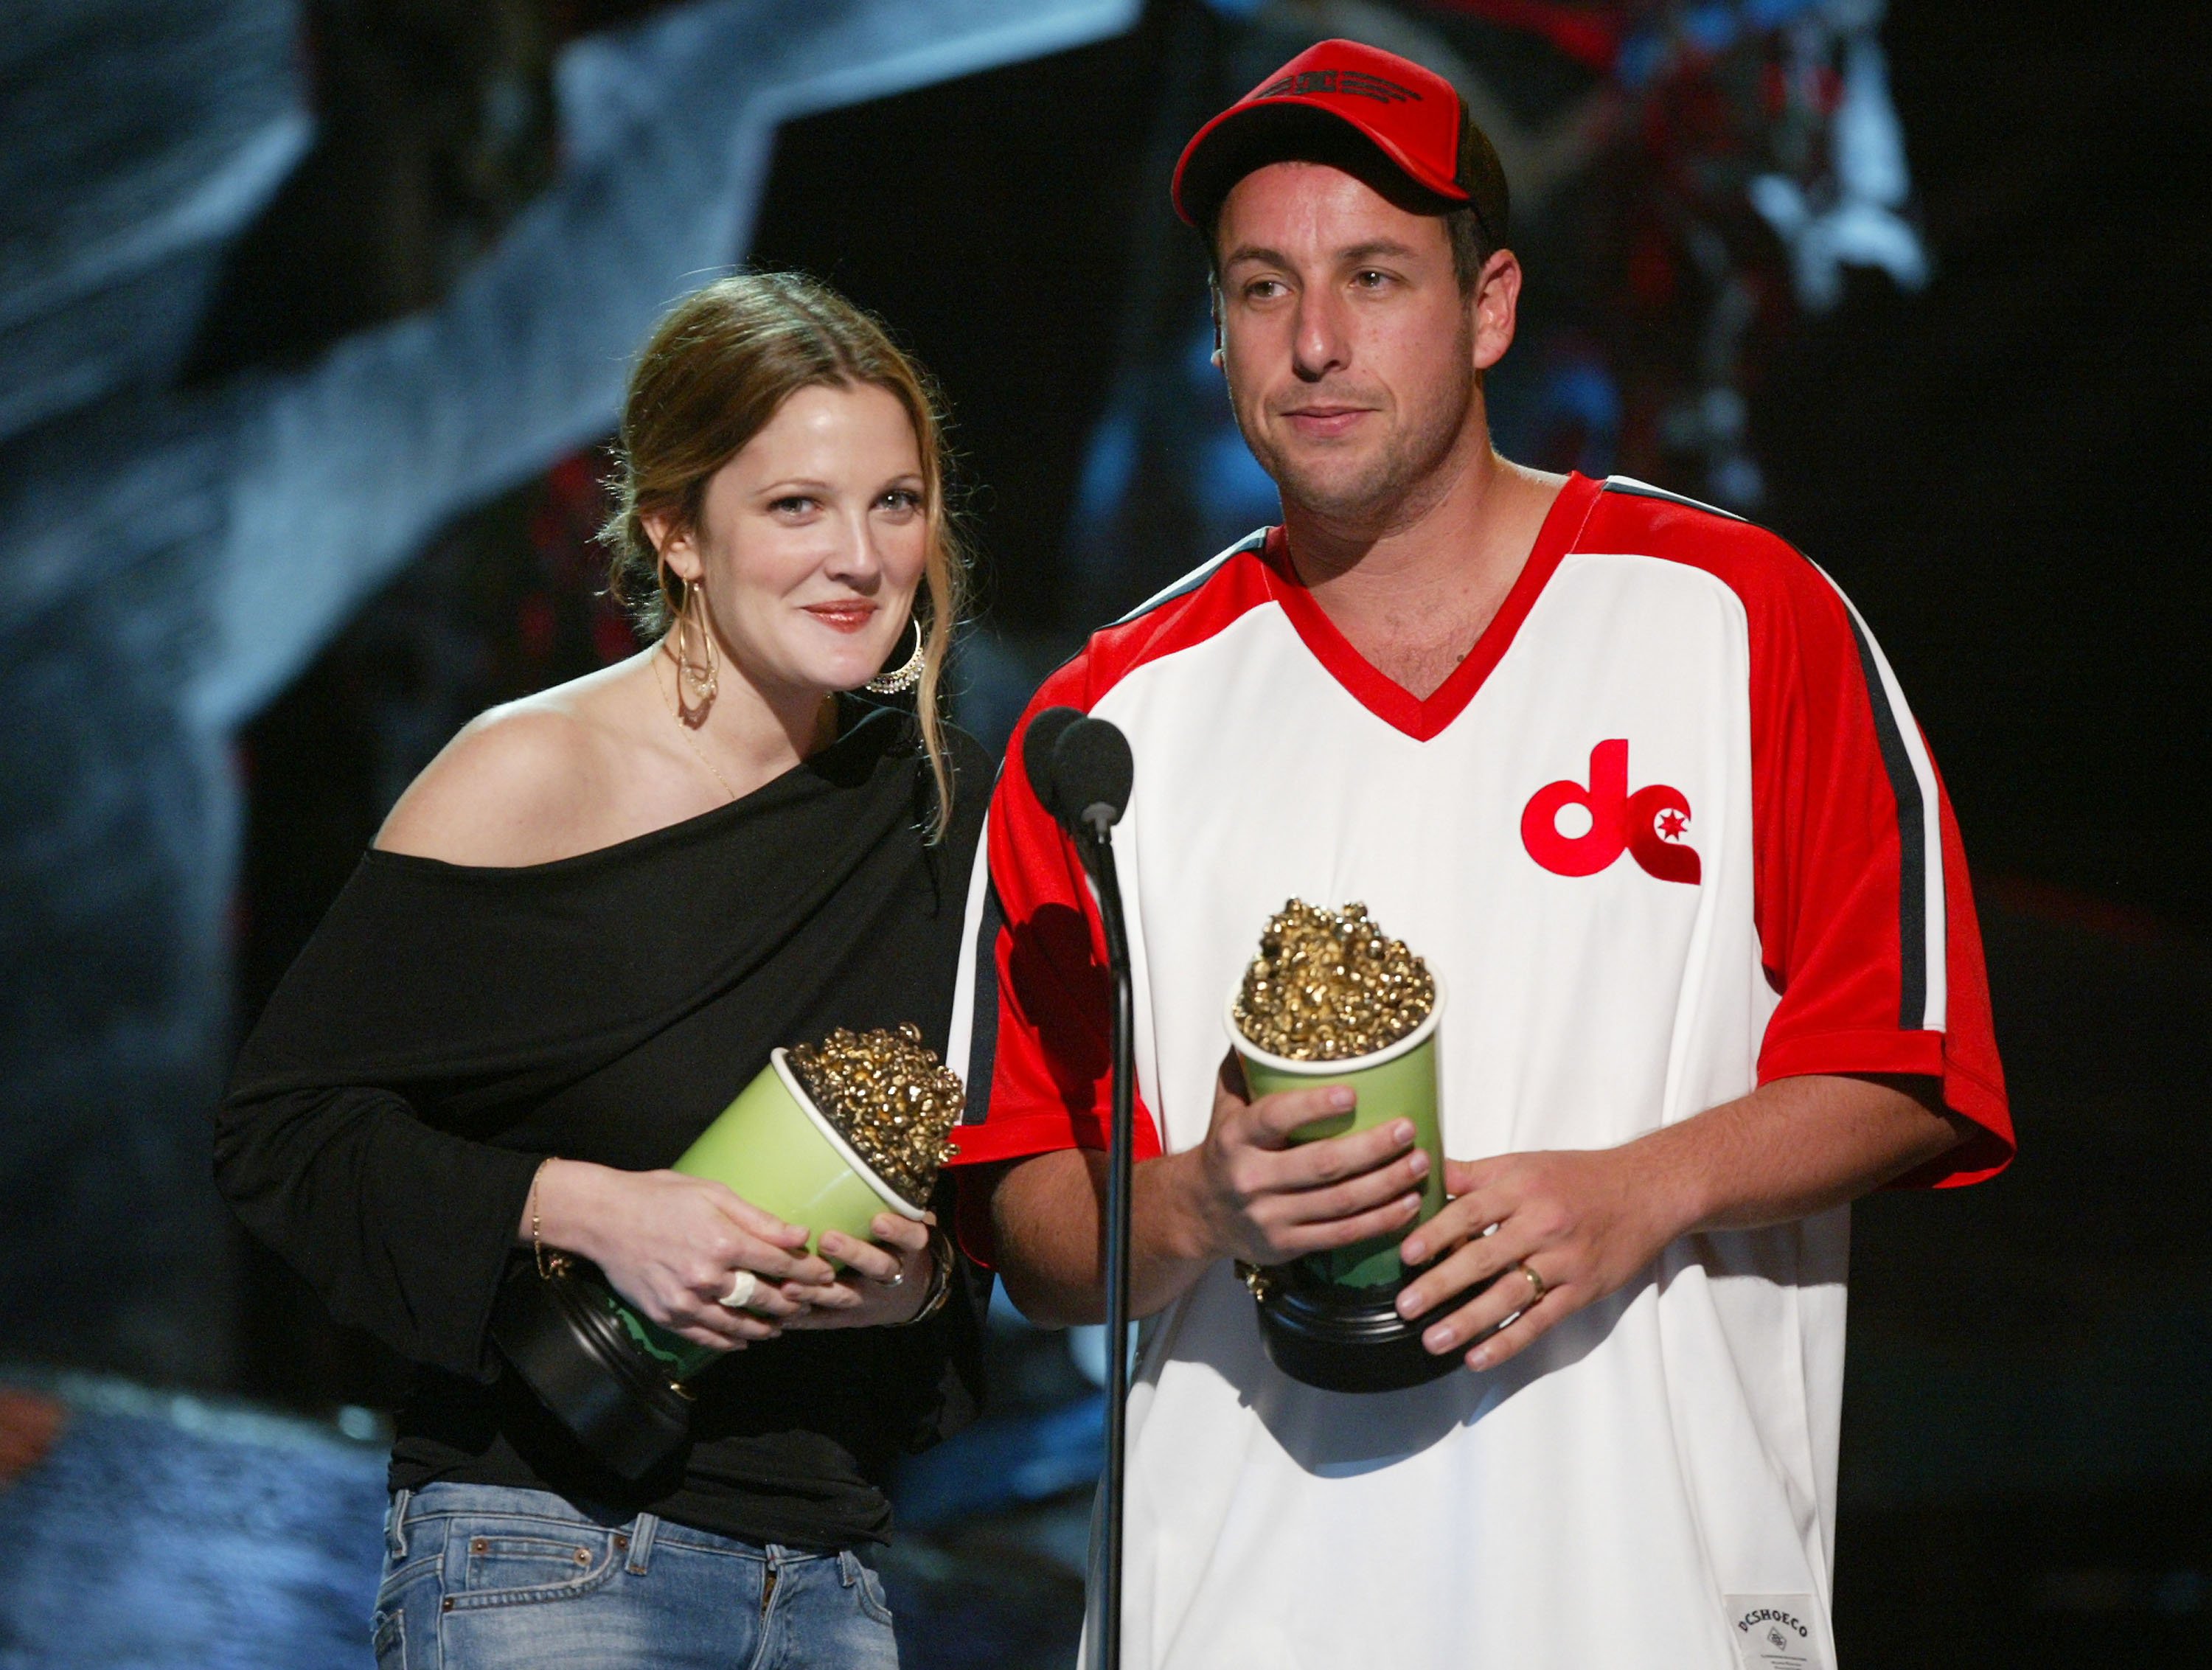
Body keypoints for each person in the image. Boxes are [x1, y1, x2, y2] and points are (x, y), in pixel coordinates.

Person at [944, 39, 2013, 1670]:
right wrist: (1194, 1199)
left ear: (1493, 305)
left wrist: (1638, 1189)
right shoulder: (1107, 718)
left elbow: (1915, 1058)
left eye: (1374, 276)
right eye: (1260, 286)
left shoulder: (1740, 617)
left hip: (1650, 1602)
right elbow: (1029, 1215)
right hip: (1240, 1614)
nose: (1312, 341)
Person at [216, 271, 988, 1670]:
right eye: (796, 505)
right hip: (545, 1558)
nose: (862, 557)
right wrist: (586, 1209)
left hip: (836, 1584)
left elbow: (984, 1208)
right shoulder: (527, 773)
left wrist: (918, 1282)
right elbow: (284, 1134)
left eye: (895, 501)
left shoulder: (940, 814)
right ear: (677, 532)